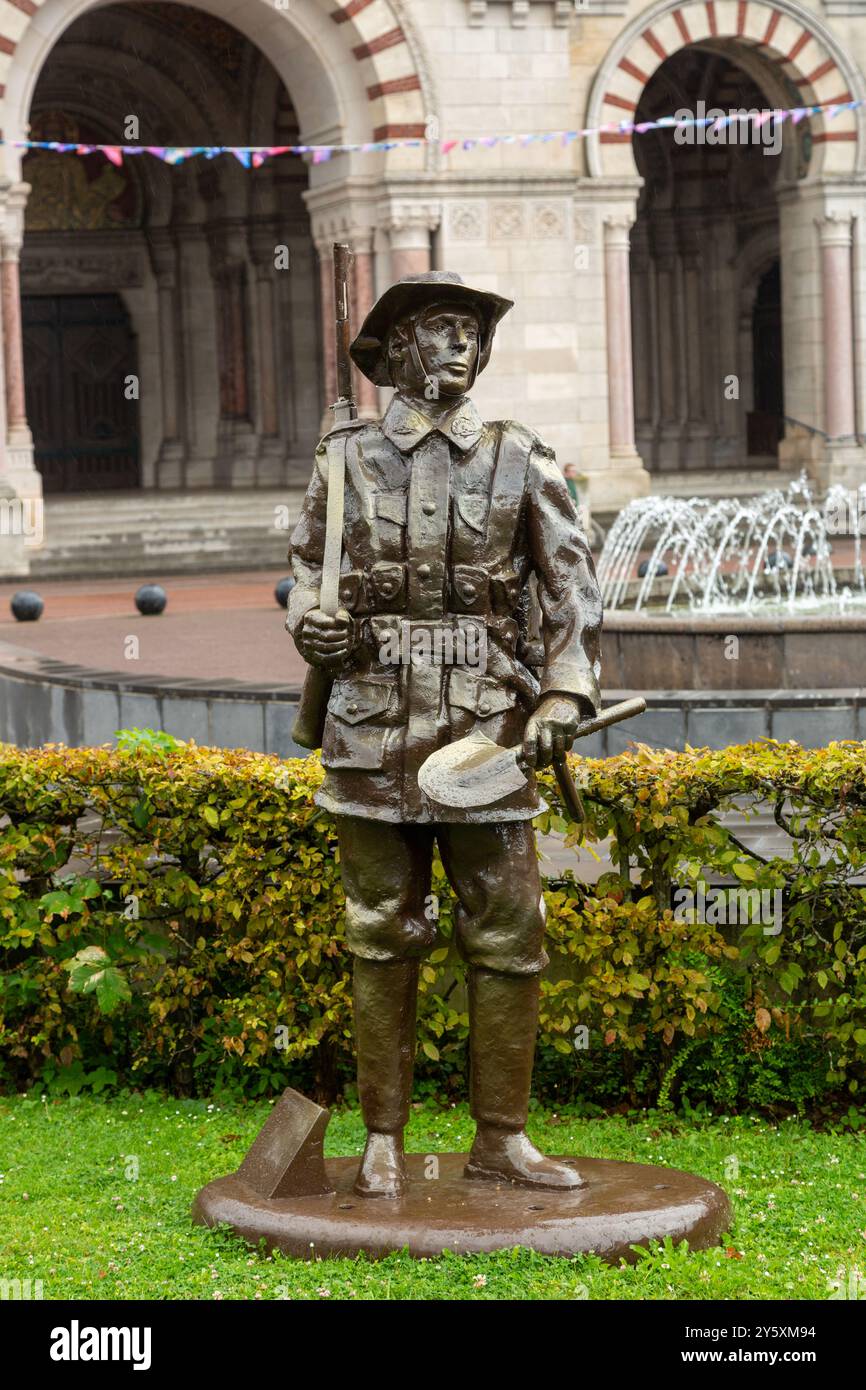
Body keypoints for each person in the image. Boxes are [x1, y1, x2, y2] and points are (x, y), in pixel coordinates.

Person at [288, 271, 603, 1198]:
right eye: (443, 332)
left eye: (472, 333)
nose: (462, 347)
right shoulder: (344, 458)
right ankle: (383, 1138)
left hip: (488, 733)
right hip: (371, 724)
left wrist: (561, 698)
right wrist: (310, 622)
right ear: (399, 354)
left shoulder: (521, 457)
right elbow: (309, 566)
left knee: (508, 932)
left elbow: (572, 593)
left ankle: (500, 1139)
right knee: (381, 929)